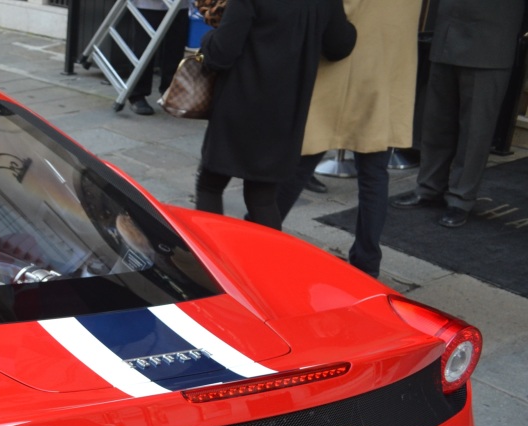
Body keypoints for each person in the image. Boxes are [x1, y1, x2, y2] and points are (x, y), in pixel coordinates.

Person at [277, 0, 421, 278]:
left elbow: (335, 15)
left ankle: (259, 234)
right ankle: (367, 261)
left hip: (342, 68)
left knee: (302, 162)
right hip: (384, 77)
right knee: (374, 173)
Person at [193, 0, 356, 230]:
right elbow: (339, 45)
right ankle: (267, 263)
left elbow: (222, 52)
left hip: (239, 105)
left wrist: (207, 40)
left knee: (210, 185)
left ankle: (210, 258)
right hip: (286, 111)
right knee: (262, 197)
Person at [390, 0, 525, 228]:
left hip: (491, 38)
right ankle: (429, 187)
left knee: (475, 130)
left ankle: (461, 199)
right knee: (436, 121)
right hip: (448, 32)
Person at [125, 1, 192, 115]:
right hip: (148, 5)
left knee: (175, 48)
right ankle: (137, 95)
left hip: (179, 5)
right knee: (144, 48)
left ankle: (170, 92)